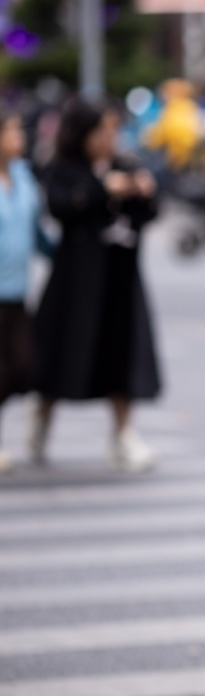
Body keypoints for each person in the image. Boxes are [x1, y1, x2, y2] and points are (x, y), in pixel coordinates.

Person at [31, 97, 162, 472]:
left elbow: (150, 213)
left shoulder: (125, 165)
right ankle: (41, 420)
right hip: (76, 282)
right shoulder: (65, 169)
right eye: (100, 131)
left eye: (112, 130)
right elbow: (62, 208)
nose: (108, 139)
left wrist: (141, 191)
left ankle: (123, 435)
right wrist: (105, 189)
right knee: (61, 357)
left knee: (121, 355)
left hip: (118, 277)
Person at [0, 109, 45, 472]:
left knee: (22, 367)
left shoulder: (23, 175)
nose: (20, 137)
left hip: (17, 291)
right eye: (13, 130)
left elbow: (36, 229)